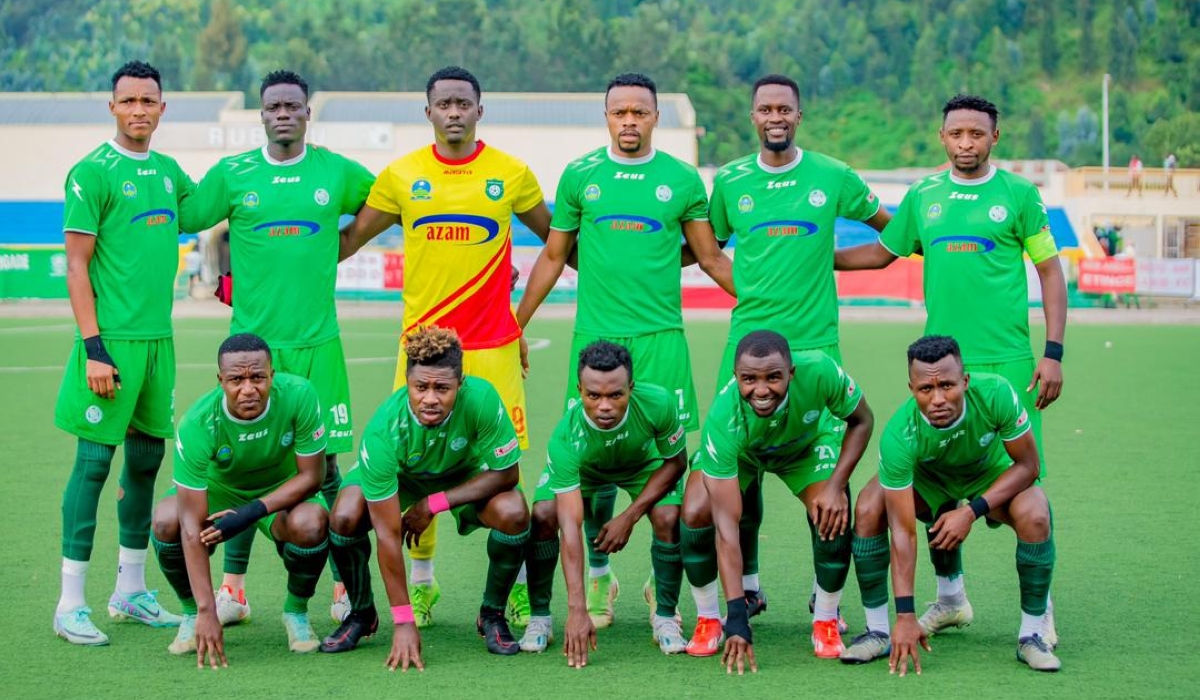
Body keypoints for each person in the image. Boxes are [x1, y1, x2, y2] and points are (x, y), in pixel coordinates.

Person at [833, 94, 1066, 662]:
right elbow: (881, 254)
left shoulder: (1018, 195)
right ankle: (951, 598)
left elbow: (1050, 271)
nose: (966, 143)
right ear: (942, 137)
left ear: (995, 136)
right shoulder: (925, 197)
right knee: (932, 475)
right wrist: (817, 256)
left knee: (1024, 487)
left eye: (976, 133)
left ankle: (1040, 616)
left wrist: (1053, 351)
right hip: (940, 369)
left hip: (1007, 362)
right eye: (956, 133)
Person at [515, 73, 734, 627]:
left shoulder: (682, 180)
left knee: (667, 471)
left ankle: (666, 599)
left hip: (662, 342)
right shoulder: (580, 176)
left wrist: (763, 299)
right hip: (596, 342)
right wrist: (516, 322)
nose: (630, 121)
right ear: (607, 117)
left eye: (640, 112)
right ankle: (597, 578)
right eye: (620, 113)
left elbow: (708, 258)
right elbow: (552, 256)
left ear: (656, 117)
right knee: (592, 456)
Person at [338, 66, 550, 629]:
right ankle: (423, 585)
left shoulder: (512, 174)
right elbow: (344, 241)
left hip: (494, 346)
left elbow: (559, 241)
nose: (453, 111)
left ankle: (523, 589)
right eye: (443, 103)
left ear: (481, 109)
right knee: (412, 462)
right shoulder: (401, 175)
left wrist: (520, 318)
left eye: (463, 102)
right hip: (422, 353)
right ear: (426, 111)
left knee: (509, 468)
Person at [180, 70, 375, 626]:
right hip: (253, 351)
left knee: (328, 465)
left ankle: (341, 586)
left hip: (318, 343)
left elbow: (385, 200)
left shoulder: (335, 171)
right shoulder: (234, 173)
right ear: (262, 114)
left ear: (307, 113)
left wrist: (346, 242)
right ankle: (234, 591)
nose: (283, 112)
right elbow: (189, 215)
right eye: (273, 106)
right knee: (245, 462)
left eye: (293, 104)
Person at [702, 73, 891, 641]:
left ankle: (826, 604)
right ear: (753, 116)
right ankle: (750, 586)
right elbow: (708, 252)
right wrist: (755, 290)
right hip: (746, 350)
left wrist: (828, 263)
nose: (775, 116)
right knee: (741, 478)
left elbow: (891, 236)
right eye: (765, 109)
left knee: (829, 489)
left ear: (799, 115)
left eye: (785, 107)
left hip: (816, 351)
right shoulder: (732, 180)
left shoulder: (832, 175)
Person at [52, 60, 194, 645]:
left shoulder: (167, 172)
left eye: (149, 100)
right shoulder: (92, 173)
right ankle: (69, 603)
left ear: (164, 108)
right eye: (128, 100)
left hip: (159, 345)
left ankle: (130, 591)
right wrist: (93, 348)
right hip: (109, 347)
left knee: (143, 466)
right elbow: (77, 265)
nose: (139, 109)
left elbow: (209, 209)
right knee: (92, 468)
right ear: (111, 106)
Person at [318, 326, 529, 664]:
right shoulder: (384, 429)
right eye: (421, 387)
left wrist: (433, 504)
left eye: (442, 388)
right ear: (407, 384)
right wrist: (403, 622)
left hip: (463, 474)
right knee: (344, 517)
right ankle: (361, 613)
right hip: (402, 479)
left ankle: (492, 615)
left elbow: (507, 473)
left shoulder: (482, 398)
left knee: (514, 511)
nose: (430, 398)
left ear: (460, 385)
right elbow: (388, 534)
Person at [682, 330, 873, 670]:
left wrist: (835, 485)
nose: (761, 389)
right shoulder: (723, 420)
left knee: (831, 511)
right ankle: (710, 617)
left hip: (806, 446)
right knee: (696, 511)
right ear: (736, 377)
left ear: (791, 373)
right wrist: (737, 617)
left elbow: (862, 420)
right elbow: (726, 529)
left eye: (773, 377)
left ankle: (826, 618)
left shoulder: (819, 370)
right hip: (744, 453)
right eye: (749, 379)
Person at [881, 336, 1059, 675]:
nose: (937, 399)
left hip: (989, 475)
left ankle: (1032, 633)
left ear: (965, 380)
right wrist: (904, 615)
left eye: (947, 385)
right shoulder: (899, 431)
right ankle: (945, 604)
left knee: (1036, 512)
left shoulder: (996, 393)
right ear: (911, 388)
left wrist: (971, 510)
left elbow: (1028, 467)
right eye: (925, 389)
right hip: (935, 479)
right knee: (873, 504)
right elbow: (902, 530)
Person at [150, 333, 331, 665]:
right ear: (220, 381)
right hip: (219, 492)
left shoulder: (299, 395)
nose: (248, 388)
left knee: (312, 522)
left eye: (257, 377)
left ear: (271, 375)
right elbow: (191, 524)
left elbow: (312, 477)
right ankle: (191, 615)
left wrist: (250, 513)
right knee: (166, 519)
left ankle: (296, 612)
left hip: (282, 487)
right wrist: (206, 610)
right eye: (236, 379)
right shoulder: (197, 422)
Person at [520, 341, 688, 661]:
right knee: (542, 515)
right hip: (587, 468)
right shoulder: (566, 437)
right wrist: (576, 610)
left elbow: (676, 462)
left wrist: (630, 516)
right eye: (593, 395)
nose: (604, 406)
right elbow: (570, 527)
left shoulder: (658, 403)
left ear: (631, 388)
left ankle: (665, 615)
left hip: (642, 464)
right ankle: (540, 617)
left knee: (669, 517)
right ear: (579, 389)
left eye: (616, 395)